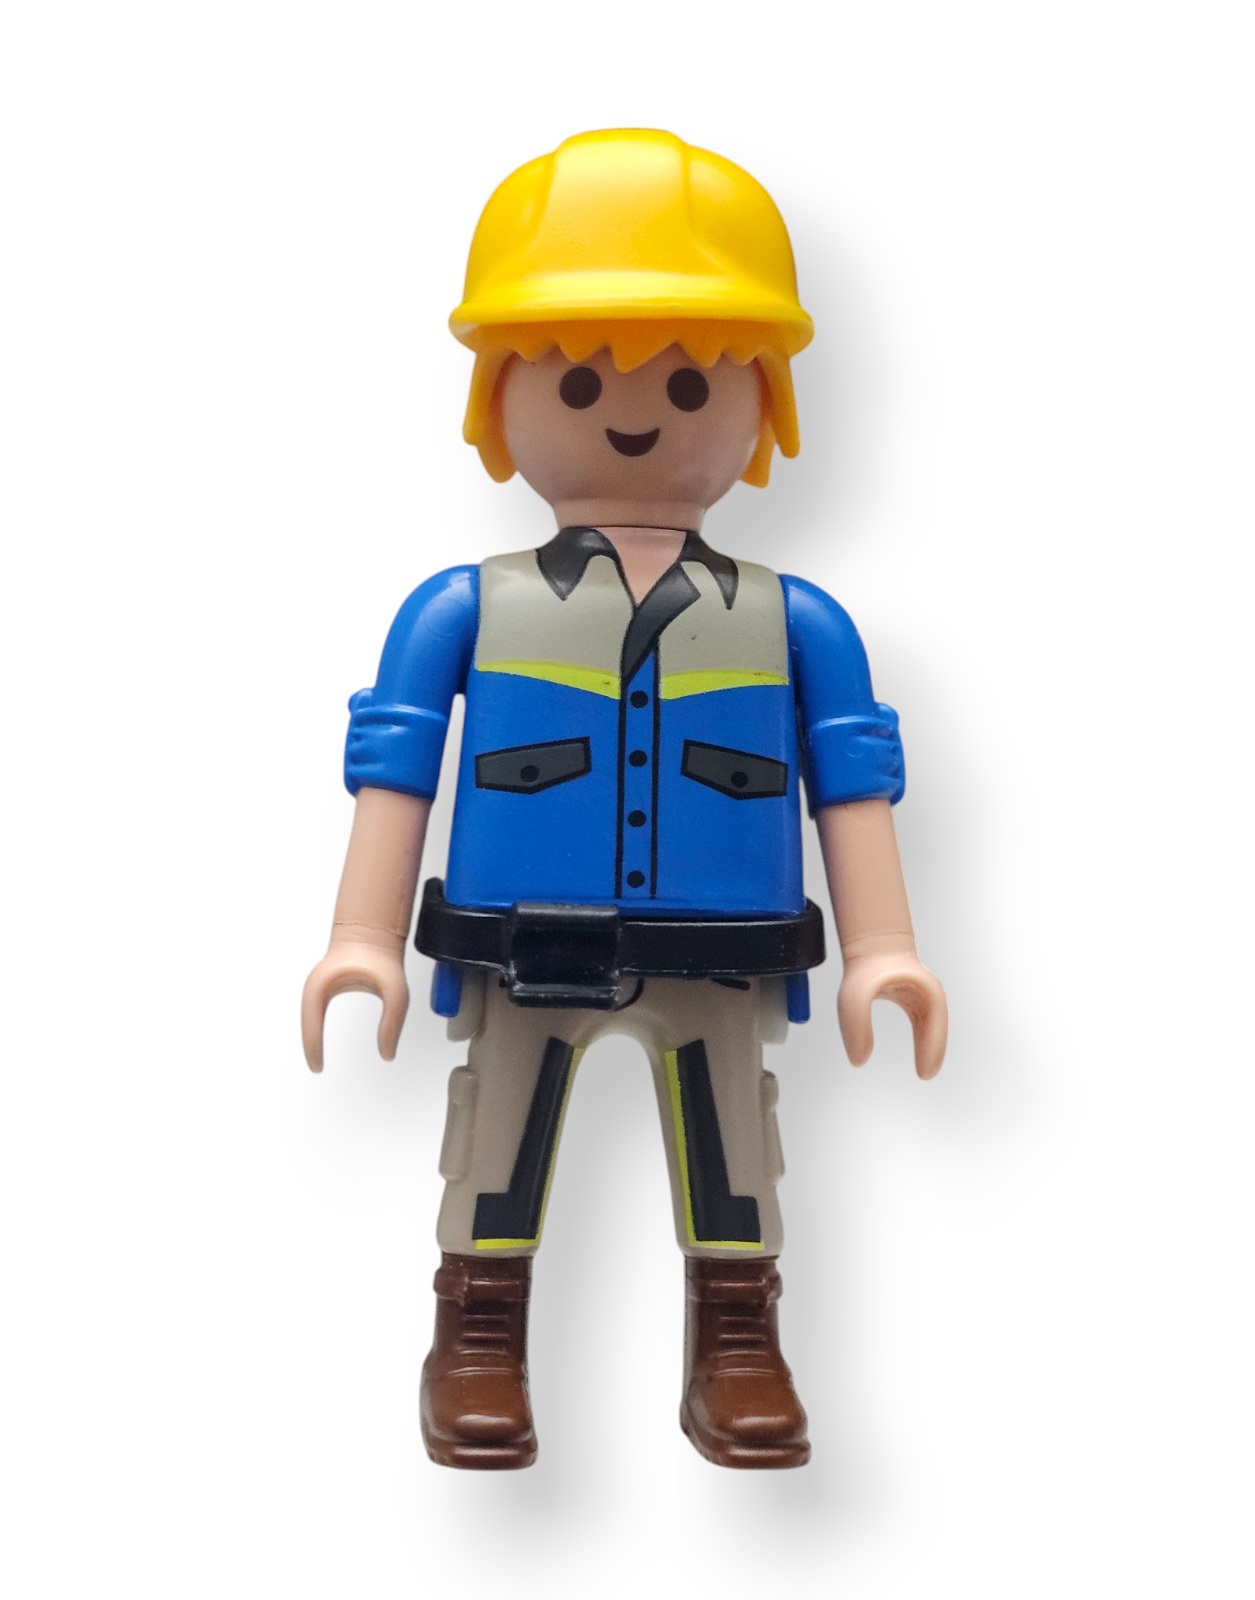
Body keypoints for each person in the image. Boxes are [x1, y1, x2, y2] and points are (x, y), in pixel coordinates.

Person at [302, 129, 947, 1470]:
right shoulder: (465, 609)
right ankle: (478, 1337)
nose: (634, 411)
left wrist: (884, 949)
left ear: (762, 400)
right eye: (581, 376)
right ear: (502, 396)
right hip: (522, 945)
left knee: (734, 1150)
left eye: (693, 377)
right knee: (496, 1137)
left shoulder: (798, 623)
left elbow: (853, 779)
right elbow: (397, 764)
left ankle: (739, 1340)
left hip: (719, 949)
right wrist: (360, 938)